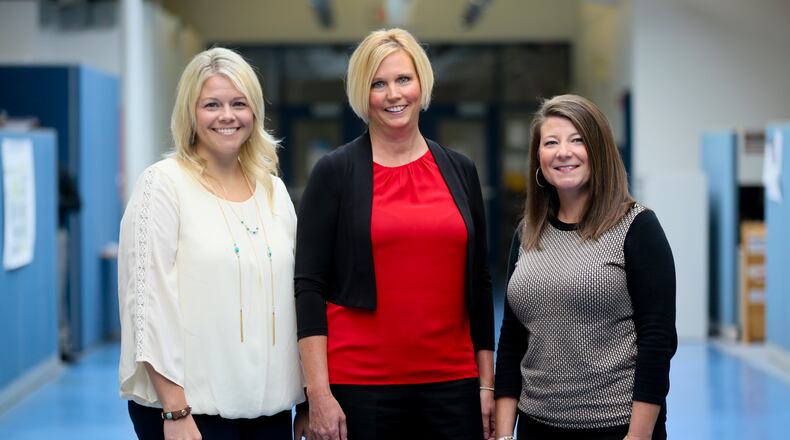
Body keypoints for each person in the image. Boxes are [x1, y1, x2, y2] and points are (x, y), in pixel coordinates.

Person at [295, 28, 495, 440]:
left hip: (453, 384)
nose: (393, 94)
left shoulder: (460, 170)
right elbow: (309, 286)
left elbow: (480, 283)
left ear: (422, 84)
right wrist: (317, 393)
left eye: (403, 79)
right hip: (361, 389)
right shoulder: (334, 173)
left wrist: (486, 384)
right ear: (361, 94)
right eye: (377, 84)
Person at [118, 47, 306, 440]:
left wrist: (305, 399)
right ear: (190, 113)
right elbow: (147, 303)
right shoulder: (163, 184)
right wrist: (175, 410)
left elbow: (295, 295)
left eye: (239, 103)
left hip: (268, 411)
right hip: (190, 413)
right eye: (212, 104)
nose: (227, 116)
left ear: (254, 113)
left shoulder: (272, 190)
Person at [494, 94, 677, 440]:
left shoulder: (637, 227)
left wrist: (638, 436)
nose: (564, 151)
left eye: (577, 140)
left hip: (614, 427)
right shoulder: (528, 233)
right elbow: (513, 340)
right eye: (551, 142)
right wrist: (505, 435)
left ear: (599, 151)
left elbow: (657, 340)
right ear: (538, 158)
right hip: (536, 426)